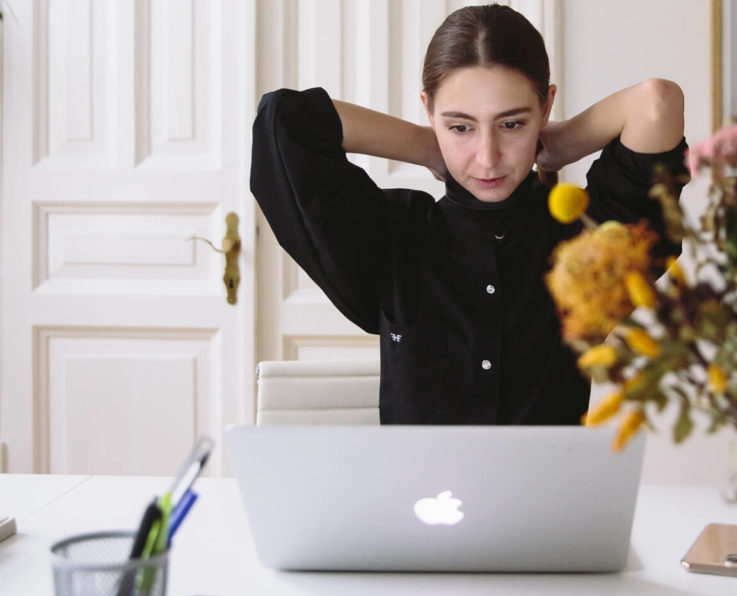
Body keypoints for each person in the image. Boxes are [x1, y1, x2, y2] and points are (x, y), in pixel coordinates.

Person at [250, 4, 687, 425]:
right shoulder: (394, 237)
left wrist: (560, 143)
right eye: (461, 126)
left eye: (512, 123)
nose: (487, 158)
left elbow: (656, 103)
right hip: (415, 502)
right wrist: (426, 145)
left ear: (545, 107)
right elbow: (283, 121)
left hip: (550, 503)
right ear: (429, 110)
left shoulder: (586, 248)